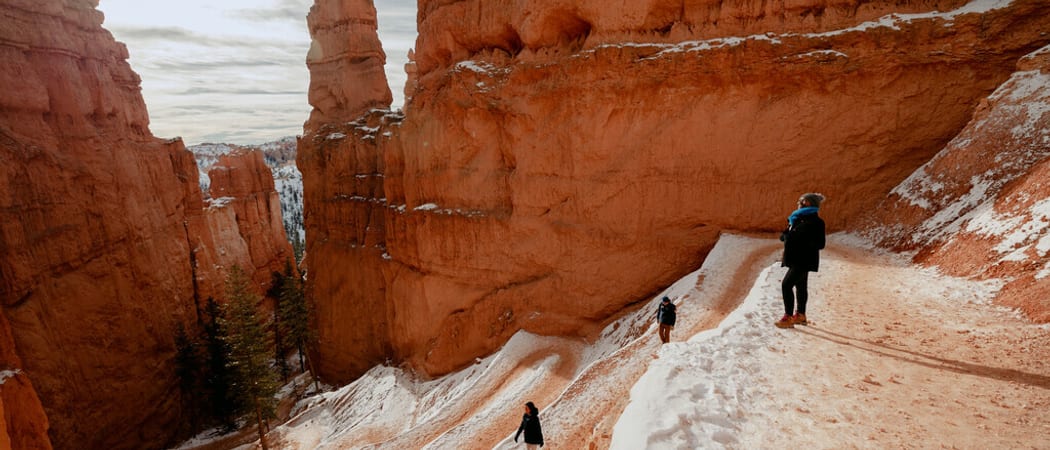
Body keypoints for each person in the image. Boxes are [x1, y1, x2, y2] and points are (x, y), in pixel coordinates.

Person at [776, 193, 826, 328]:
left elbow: (820, 244)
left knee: (786, 285)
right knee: (801, 286)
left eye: (803, 201)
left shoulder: (817, 222)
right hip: (794, 258)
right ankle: (800, 315)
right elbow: (784, 237)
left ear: (810, 203)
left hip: (804, 259)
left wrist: (801, 240)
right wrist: (787, 234)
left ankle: (788, 318)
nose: (799, 202)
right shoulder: (796, 219)